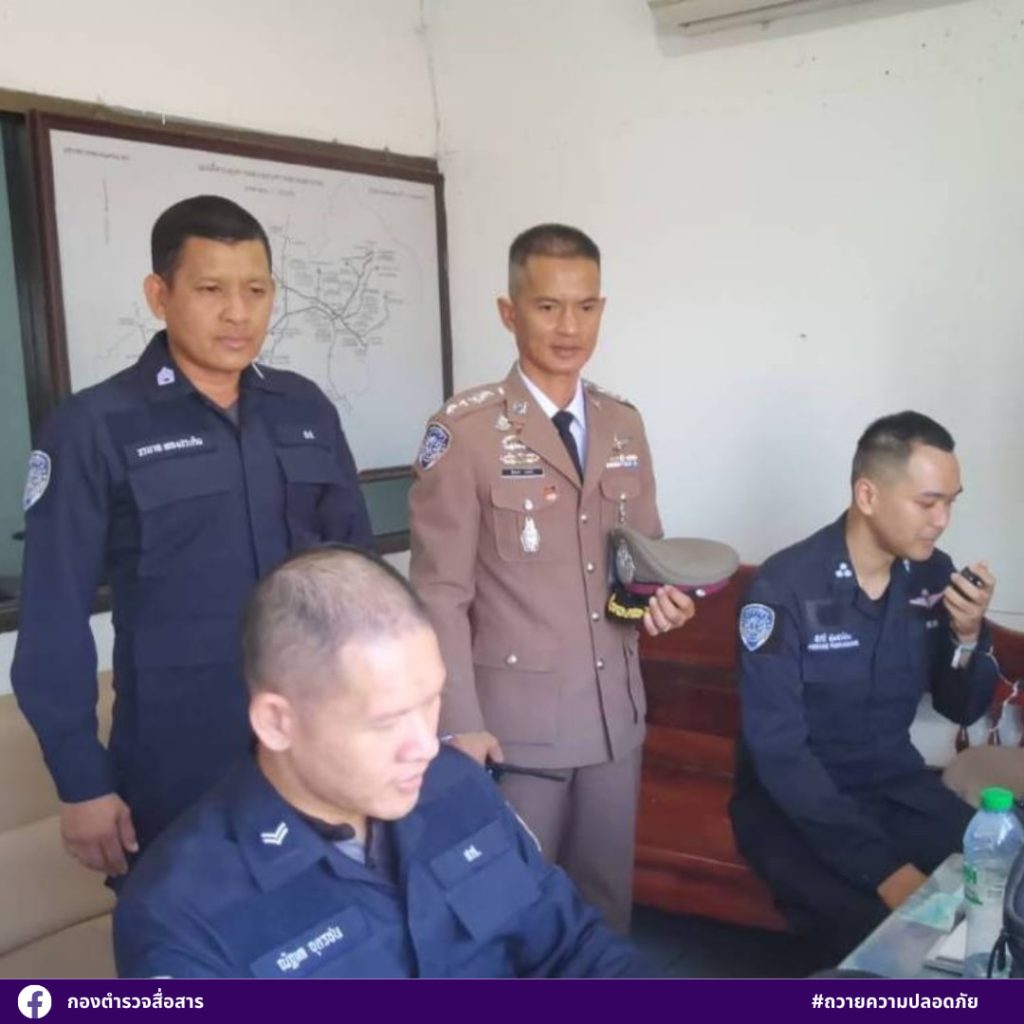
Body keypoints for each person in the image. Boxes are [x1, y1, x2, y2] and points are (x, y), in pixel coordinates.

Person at [13, 195, 372, 875]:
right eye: (211, 290)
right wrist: (81, 779)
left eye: (256, 290)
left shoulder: (304, 407)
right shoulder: (95, 425)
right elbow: (52, 616)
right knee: (189, 929)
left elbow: (357, 574)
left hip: (316, 742)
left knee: (334, 923)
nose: (238, 313)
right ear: (160, 295)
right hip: (179, 761)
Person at [113, 546, 644, 978]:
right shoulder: (185, 913)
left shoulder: (456, 786)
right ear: (277, 722)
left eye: (430, 702)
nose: (426, 745)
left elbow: (573, 948)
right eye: (387, 721)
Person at [407, 224, 694, 933]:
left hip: (612, 719)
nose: (570, 327)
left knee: (603, 912)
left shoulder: (622, 425)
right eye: (548, 307)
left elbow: (638, 565)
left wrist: (657, 603)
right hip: (513, 732)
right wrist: (460, 726)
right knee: (508, 918)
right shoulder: (466, 433)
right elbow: (439, 594)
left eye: (586, 306)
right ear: (509, 312)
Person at [729, 411, 999, 957]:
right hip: (794, 806)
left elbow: (962, 708)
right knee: (887, 933)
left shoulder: (931, 575)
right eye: (928, 502)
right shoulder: (784, 588)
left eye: (951, 502)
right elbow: (779, 754)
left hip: (894, 788)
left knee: (1001, 878)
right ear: (868, 495)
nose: (942, 520)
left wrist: (969, 634)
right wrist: (884, 870)